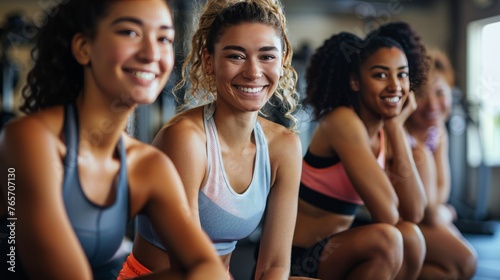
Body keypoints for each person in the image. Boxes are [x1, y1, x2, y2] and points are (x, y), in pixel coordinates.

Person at [0, 0, 227, 279]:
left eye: (164, 38)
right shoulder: (29, 140)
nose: (151, 53)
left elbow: (208, 269)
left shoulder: (147, 165)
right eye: (130, 32)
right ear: (84, 48)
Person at [121, 0, 303, 279]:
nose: (253, 72)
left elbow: (274, 265)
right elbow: (187, 266)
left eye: (267, 56)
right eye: (236, 56)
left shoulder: (284, 146)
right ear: (209, 62)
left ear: (283, 61)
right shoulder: (185, 138)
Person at [291, 22, 429, 280]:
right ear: (355, 82)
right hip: (297, 258)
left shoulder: (385, 129)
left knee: (412, 237)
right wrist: (394, 124)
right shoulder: (342, 121)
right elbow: (387, 214)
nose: (395, 86)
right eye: (380, 75)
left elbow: (414, 213)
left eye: (402, 75)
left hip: (337, 249)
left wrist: (395, 127)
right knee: (387, 239)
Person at [405, 49, 478, 279]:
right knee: (466, 261)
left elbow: (441, 194)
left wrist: (442, 211)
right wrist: (447, 213)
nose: (433, 104)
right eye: (423, 95)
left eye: (440, 92)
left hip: (427, 223)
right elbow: (430, 213)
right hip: (403, 225)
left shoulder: (438, 134)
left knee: (448, 273)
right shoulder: (405, 139)